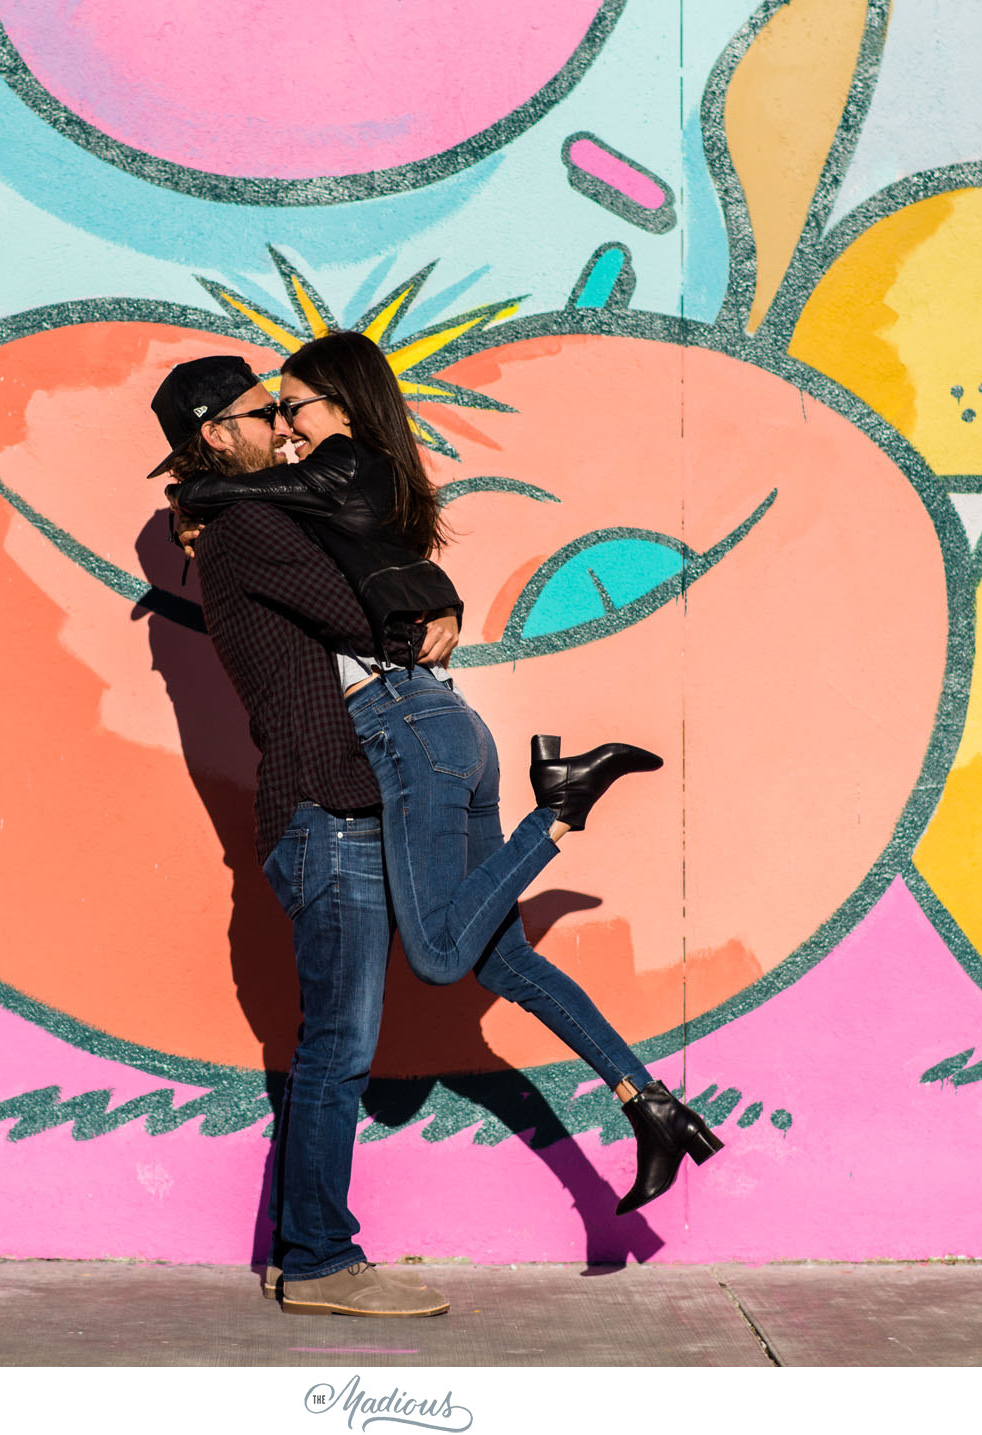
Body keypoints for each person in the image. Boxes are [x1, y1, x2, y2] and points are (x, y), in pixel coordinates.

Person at [147, 355, 720, 1317]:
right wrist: (428, 601)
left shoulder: (248, 515)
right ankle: (322, 1260)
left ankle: (642, 1099)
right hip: (326, 811)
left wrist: (426, 592)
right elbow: (370, 610)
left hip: (356, 793)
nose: (281, 431)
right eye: (262, 415)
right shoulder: (244, 524)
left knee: (483, 963)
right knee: (341, 1044)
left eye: (288, 412)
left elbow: (376, 582)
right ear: (215, 433)